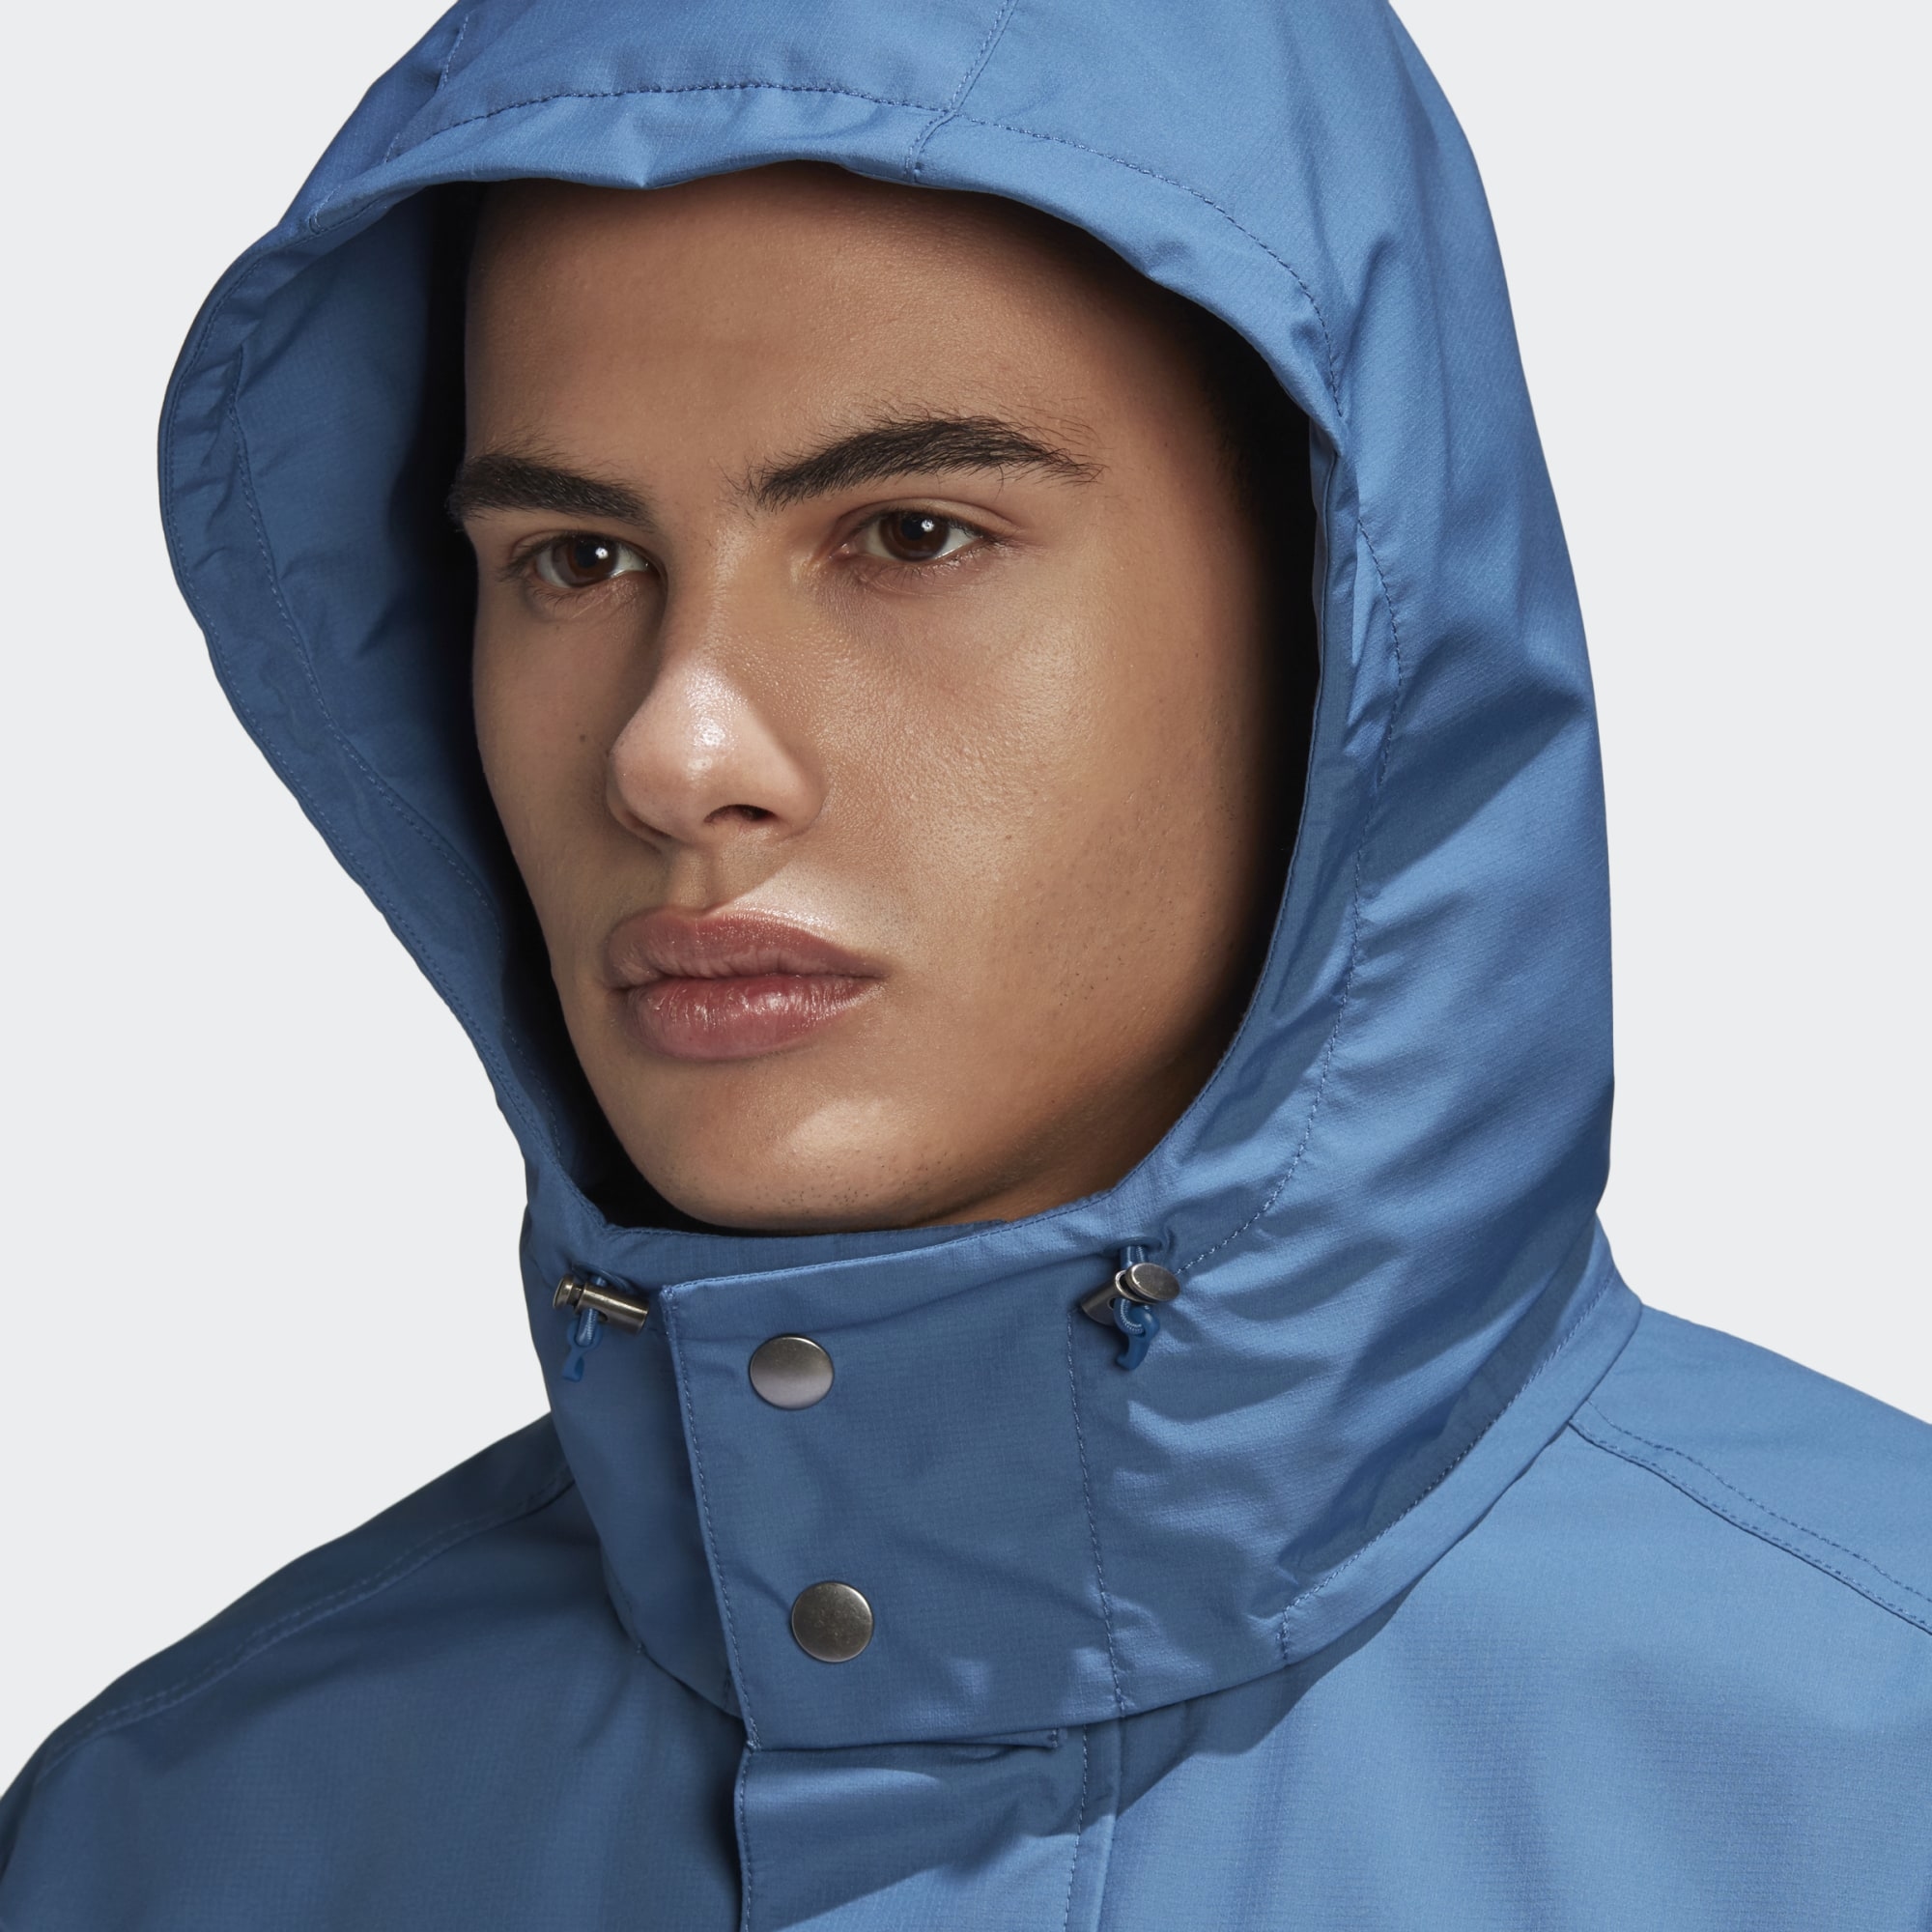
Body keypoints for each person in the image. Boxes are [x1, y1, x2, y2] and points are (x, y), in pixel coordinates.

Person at [3, 1, 1927, 1925]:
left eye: (910, 535)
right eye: (575, 560)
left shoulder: (1872, 1781)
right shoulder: (169, 1849)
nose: (673, 751)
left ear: (1344, 623)